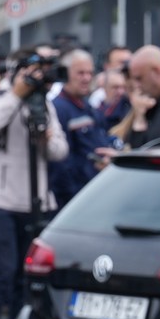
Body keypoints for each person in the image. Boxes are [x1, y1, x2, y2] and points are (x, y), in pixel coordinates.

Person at [0, 56, 70, 319]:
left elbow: (59, 151)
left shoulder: (44, 105)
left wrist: (44, 136)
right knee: (0, 273)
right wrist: (16, 94)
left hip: (34, 201)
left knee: (24, 278)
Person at [50, 49, 111, 205]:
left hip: (94, 191)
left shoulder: (88, 107)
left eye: (90, 73)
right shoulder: (59, 109)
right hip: (74, 197)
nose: (87, 78)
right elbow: (61, 163)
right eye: (80, 73)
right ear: (65, 74)